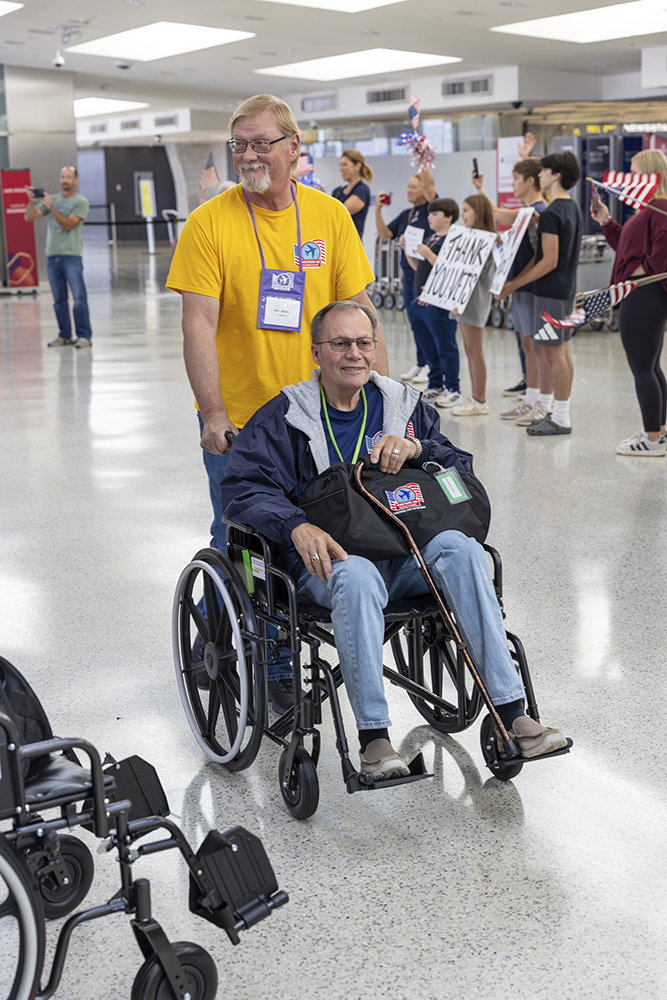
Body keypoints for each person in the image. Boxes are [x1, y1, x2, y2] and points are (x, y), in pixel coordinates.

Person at [221, 299, 567, 778]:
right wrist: (295, 525)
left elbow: (457, 471)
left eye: (364, 343)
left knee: (462, 549)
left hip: (405, 557)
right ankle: (375, 740)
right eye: (340, 343)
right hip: (325, 567)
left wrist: (418, 448)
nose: (354, 354)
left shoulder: (403, 406)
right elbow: (243, 488)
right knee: (357, 574)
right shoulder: (285, 416)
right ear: (317, 352)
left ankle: (513, 715)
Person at [166, 93, 385, 713]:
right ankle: (260, 656)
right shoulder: (210, 223)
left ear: (295, 148)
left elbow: (361, 313)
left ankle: (305, 629)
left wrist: (385, 406)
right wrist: (212, 412)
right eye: (239, 144)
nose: (249, 156)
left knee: (326, 530)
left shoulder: (329, 217)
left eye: (262, 143)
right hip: (244, 420)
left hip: (322, 415)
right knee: (244, 537)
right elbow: (197, 325)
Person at [499, 151, 583, 436]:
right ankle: (558, 411)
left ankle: (560, 417)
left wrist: (514, 284)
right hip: (565, 290)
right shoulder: (571, 207)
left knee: (553, 353)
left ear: (555, 175)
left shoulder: (552, 213)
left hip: (549, 294)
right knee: (561, 351)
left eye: (545, 171)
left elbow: (548, 260)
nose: (541, 175)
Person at [592, 148, 667, 456]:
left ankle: (651, 439)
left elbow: (660, 254)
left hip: (644, 292)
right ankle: (658, 433)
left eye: (636, 172)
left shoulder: (659, 206)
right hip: (641, 292)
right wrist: (607, 222)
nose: (631, 179)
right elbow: (626, 247)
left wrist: (640, 270)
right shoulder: (647, 208)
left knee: (642, 368)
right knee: (650, 366)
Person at [473, 159, 552, 425]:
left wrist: (516, 282)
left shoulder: (539, 211)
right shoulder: (527, 211)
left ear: (530, 181)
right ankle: (530, 399)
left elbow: (541, 255)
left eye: (516, 177)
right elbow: (495, 212)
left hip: (531, 287)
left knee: (539, 347)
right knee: (528, 344)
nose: (513, 183)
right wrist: (481, 189)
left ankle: (544, 402)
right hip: (520, 287)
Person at [375, 169, 436, 383]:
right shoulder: (407, 214)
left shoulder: (431, 209)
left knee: (428, 322)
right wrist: (378, 210)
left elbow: (430, 188)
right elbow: (385, 234)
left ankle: (431, 364)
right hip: (408, 273)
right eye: (408, 186)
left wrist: (423, 163)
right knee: (415, 321)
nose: (409, 190)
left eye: (414, 186)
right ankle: (421, 363)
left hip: (426, 275)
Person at [24, 166, 92, 349]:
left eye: (68, 177)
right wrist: (32, 203)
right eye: (62, 176)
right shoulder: (52, 199)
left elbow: (69, 224)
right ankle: (65, 335)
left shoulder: (81, 202)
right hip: (52, 256)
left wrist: (52, 210)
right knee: (59, 299)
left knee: (79, 298)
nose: (64, 180)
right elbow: (29, 217)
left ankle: (84, 336)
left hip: (72, 256)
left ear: (75, 180)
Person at [405, 197, 461, 409]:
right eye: (429, 214)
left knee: (445, 344)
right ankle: (435, 383)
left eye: (435, 214)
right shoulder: (430, 239)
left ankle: (453, 387)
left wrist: (428, 254)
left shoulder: (454, 240)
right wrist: (407, 251)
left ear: (449, 217)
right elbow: (419, 267)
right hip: (420, 301)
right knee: (427, 344)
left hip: (440, 303)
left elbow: (449, 269)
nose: (430, 217)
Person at [449, 194, 497, 417]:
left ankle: (480, 400)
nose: (462, 215)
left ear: (478, 212)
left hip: (474, 300)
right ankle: (476, 396)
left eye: (466, 210)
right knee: (469, 350)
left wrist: (459, 299)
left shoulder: (486, 240)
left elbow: (474, 276)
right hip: (463, 300)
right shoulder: (470, 237)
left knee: (475, 351)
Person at [332, 149, 372, 239]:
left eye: (345, 165)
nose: (341, 169)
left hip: (352, 245)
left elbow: (341, 213)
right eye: (340, 165)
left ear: (357, 166)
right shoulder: (337, 191)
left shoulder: (362, 190)